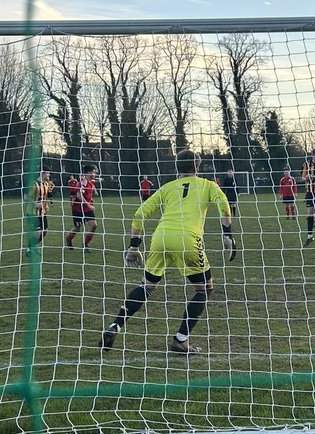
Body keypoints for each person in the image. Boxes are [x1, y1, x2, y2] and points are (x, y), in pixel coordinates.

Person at [100, 149, 235, 356]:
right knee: (204, 289)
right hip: (188, 240)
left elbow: (139, 213)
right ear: (197, 167)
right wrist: (227, 235)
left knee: (146, 286)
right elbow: (225, 206)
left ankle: (115, 326)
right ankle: (181, 340)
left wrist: (134, 246)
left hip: (160, 238)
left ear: (177, 168)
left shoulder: (167, 187)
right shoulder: (209, 185)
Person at [65, 165, 98, 250]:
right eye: (94, 172)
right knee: (77, 228)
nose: (95, 174)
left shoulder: (91, 182)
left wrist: (91, 199)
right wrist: (89, 205)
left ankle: (85, 245)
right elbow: (79, 195)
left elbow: (86, 194)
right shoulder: (83, 182)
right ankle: (68, 240)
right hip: (78, 209)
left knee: (94, 225)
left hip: (86, 209)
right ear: (89, 173)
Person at [28, 170, 54, 252]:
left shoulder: (46, 183)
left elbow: (45, 196)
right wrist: (35, 204)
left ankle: (32, 246)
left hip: (42, 212)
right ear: (42, 173)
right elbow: (26, 197)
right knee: (37, 233)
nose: (49, 175)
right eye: (47, 173)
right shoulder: (34, 184)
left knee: (45, 231)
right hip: (32, 212)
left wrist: (46, 206)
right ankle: (30, 248)